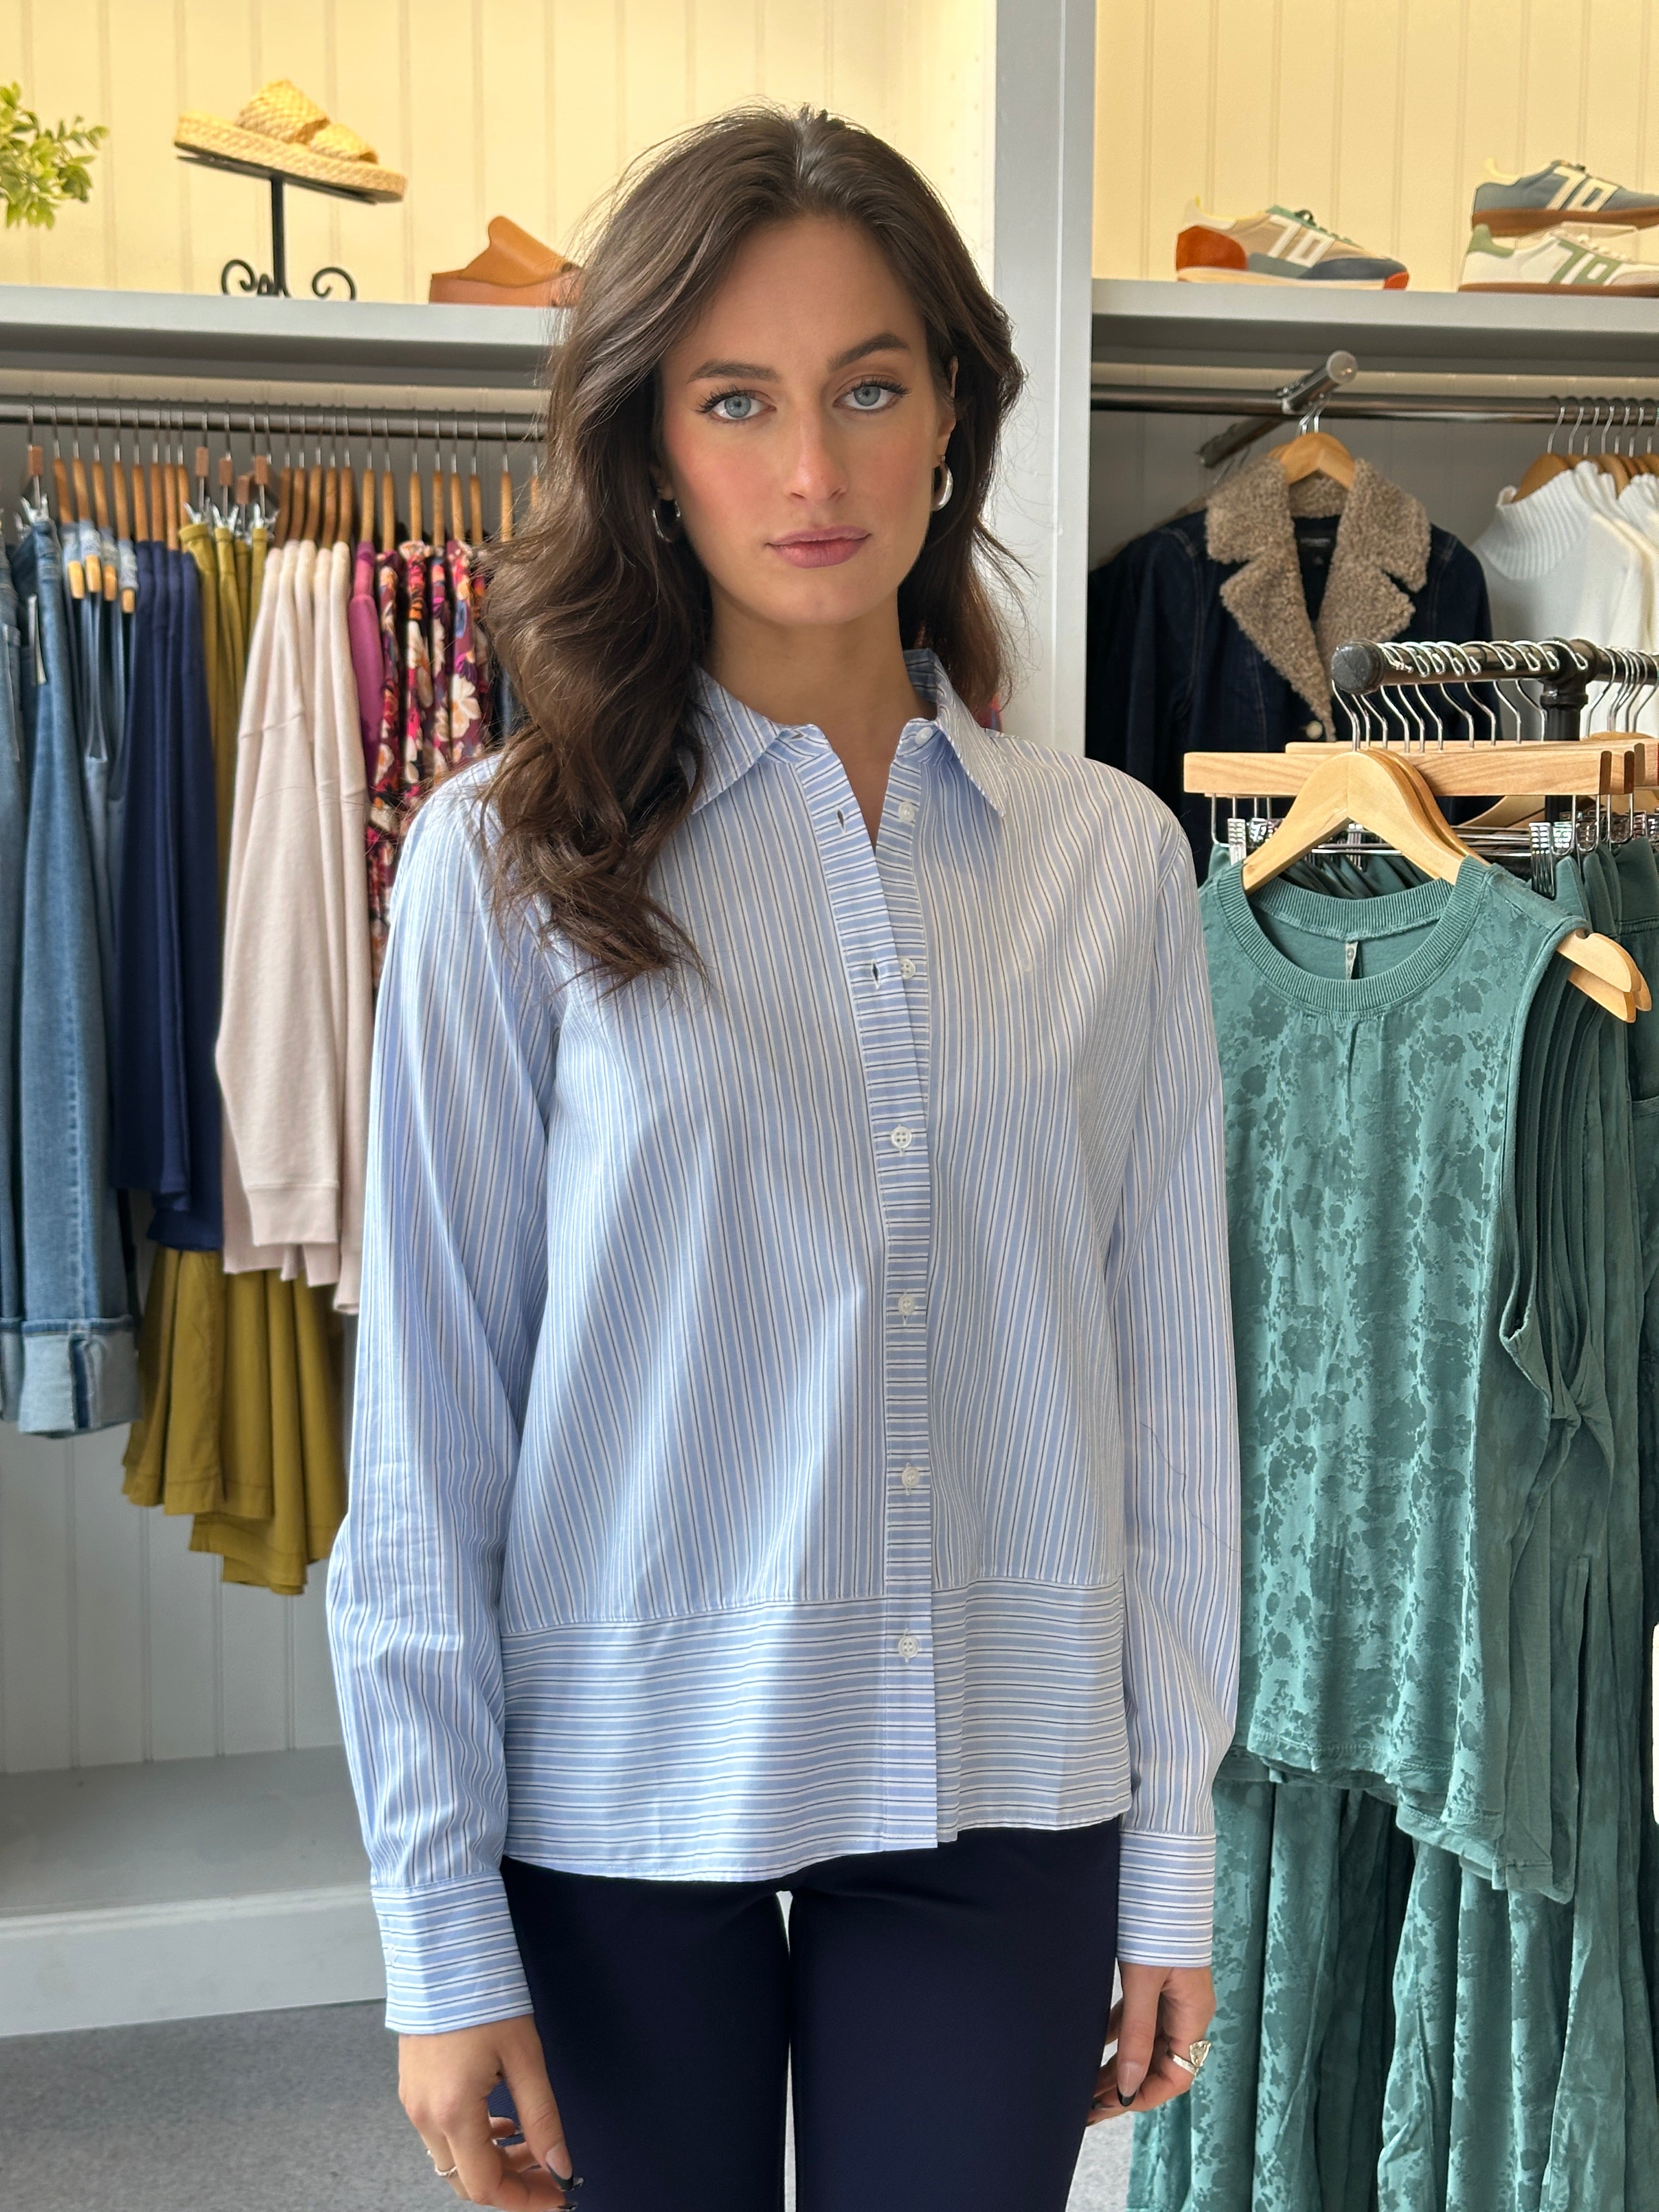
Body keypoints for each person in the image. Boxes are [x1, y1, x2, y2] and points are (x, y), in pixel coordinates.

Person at [327, 104, 1240, 2212]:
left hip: (1006, 1772)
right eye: (737, 400)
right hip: (623, 1792)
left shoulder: (1110, 863)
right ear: (651, 448)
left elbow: (1170, 1388)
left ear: (954, 421)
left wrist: (1171, 1843)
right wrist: (436, 1928)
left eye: (869, 389)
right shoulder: (502, 862)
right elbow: (431, 1431)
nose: (813, 471)